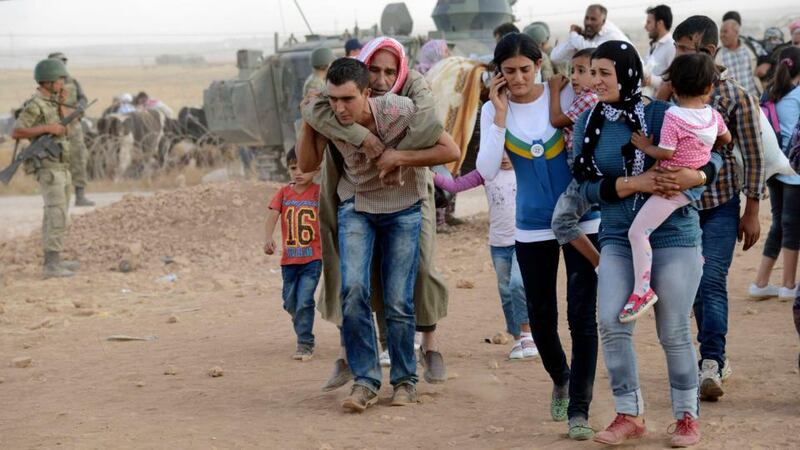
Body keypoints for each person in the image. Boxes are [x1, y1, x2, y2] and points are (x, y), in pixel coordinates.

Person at [570, 40, 722, 448]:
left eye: (605, 73)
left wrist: (700, 175)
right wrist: (631, 184)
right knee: (610, 321)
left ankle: (687, 416)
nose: (596, 81)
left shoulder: (661, 113)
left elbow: (716, 154)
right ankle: (629, 413)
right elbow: (583, 184)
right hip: (619, 235)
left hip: (675, 234)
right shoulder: (588, 125)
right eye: (592, 72)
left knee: (672, 328)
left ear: (628, 74)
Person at [296, 57, 459, 412]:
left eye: (348, 100)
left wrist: (398, 158)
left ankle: (404, 380)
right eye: (333, 99)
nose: (339, 108)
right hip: (356, 206)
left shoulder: (399, 110)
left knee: (399, 299)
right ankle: (365, 380)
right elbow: (307, 165)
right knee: (352, 290)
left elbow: (450, 150)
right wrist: (311, 121)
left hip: (403, 208)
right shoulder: (327, 116)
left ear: (368, 93)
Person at [476, 32, 600, 441]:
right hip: (530, 225)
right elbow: (489, 168)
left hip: (583, 219)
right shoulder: (494, 110)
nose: (517, 78)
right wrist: (497, 114)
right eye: (508, 71)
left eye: (525, 69)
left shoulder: (564, 95)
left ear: (539, 63)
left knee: (582, 316)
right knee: (542, 317)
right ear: (498, 73)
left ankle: (579, 407)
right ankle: (560, 378)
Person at [670, 16, 766, 402]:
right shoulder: (669, 93)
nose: (676, 56)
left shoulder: (737, 97)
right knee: (692, 283)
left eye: (683, 49)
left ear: (708, 51)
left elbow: (755, 156)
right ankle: (710, 353)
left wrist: (753, 210)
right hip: (680, 208)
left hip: (722, 205)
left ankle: (711, 360)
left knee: (710, 280)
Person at [620, 53, 731, 323]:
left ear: (674, 88)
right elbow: (726, 139)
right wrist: (701, 154)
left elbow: (667, 153)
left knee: (638, 231)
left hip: (670, 185)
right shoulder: (713, 116)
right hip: (691, 186)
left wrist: (646, 147)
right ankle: (693, 261)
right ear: (709, 88)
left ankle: (642, 290)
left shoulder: (674, 116)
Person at [433, 154, 539, 360]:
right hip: (498, 244)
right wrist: (431, 175)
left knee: (518, 284)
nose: (505, 157)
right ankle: (517, 338)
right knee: (505, 291)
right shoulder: (486, 173)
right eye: (499, 151)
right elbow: (455, 186)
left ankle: (528, 333)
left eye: (509, 151)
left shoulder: (526, 170)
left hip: (522, 240)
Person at [12, 59, 82, 278]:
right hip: (49, 168)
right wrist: (47, 128)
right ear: (49, 81)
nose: (63, 83)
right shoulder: (36, 104)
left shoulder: (53, 103)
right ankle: (51, 266)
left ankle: (54, 259)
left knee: (58, 214)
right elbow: (18, 131)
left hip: (62, 166)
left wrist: (61, 105)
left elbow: (68, 127)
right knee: (56, 214)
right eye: (60, 79)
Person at [750, 47, 800, 301]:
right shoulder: (798, 93)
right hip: (794, 170)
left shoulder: (770, 92)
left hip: (774, 168)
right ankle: (789, 284)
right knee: (792, 226)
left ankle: (761, 281)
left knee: (781, 224)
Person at [263, 148, 322, 361]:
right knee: (290, 303)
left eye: (304, 168)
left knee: (305, 300)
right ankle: (301, 322)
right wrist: (268, 238)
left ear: (317, 169)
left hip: (312, 259)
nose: (298, 172)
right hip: (289, 260)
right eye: (293, 167)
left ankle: (305, 343)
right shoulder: (283, 193)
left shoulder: (318, 193)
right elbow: (272, 215)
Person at [547, 48, 601, 268]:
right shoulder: (587, 98)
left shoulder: (588, 99)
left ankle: (601, 264)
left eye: (581, 71)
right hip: (585, 168)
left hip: (584, 171)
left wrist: (554, 91)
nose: (574, 77)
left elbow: (557, 120)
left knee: (561, 222)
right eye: (572, 70)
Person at [48, 52, 95, 207]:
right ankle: (58, 198)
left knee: (79, 158)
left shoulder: (72, 81)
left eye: (63, 63)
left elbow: (83, 98)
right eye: (58, 63)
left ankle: (80, 196)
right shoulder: (46, 84)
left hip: (74, 127)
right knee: (57, 162)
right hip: (56, 129)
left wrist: (80, 108)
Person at [550, 4, 631, 65]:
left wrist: (574, 35)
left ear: (603, 21)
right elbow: (555, 58)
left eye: (593, 19)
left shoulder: (611, 35)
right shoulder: (585, 37)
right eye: (587, 18)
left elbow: (592, 52)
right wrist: (575, 39)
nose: (588, 22)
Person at [717, 19, 762, 98]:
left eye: (725, 31)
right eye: (721, 32)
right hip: (730, 107)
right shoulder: (717, 56)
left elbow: (769, 57)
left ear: (736, 33)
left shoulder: (751, 48)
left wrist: (766, 63)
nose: (722, 35)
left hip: (755, 102)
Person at [642, 5, 675, 96]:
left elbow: (674, 80)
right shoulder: (653, 45)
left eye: (649, 22)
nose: (645, 27)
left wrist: (651, 80)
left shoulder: (672, 46)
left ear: (660, 23)